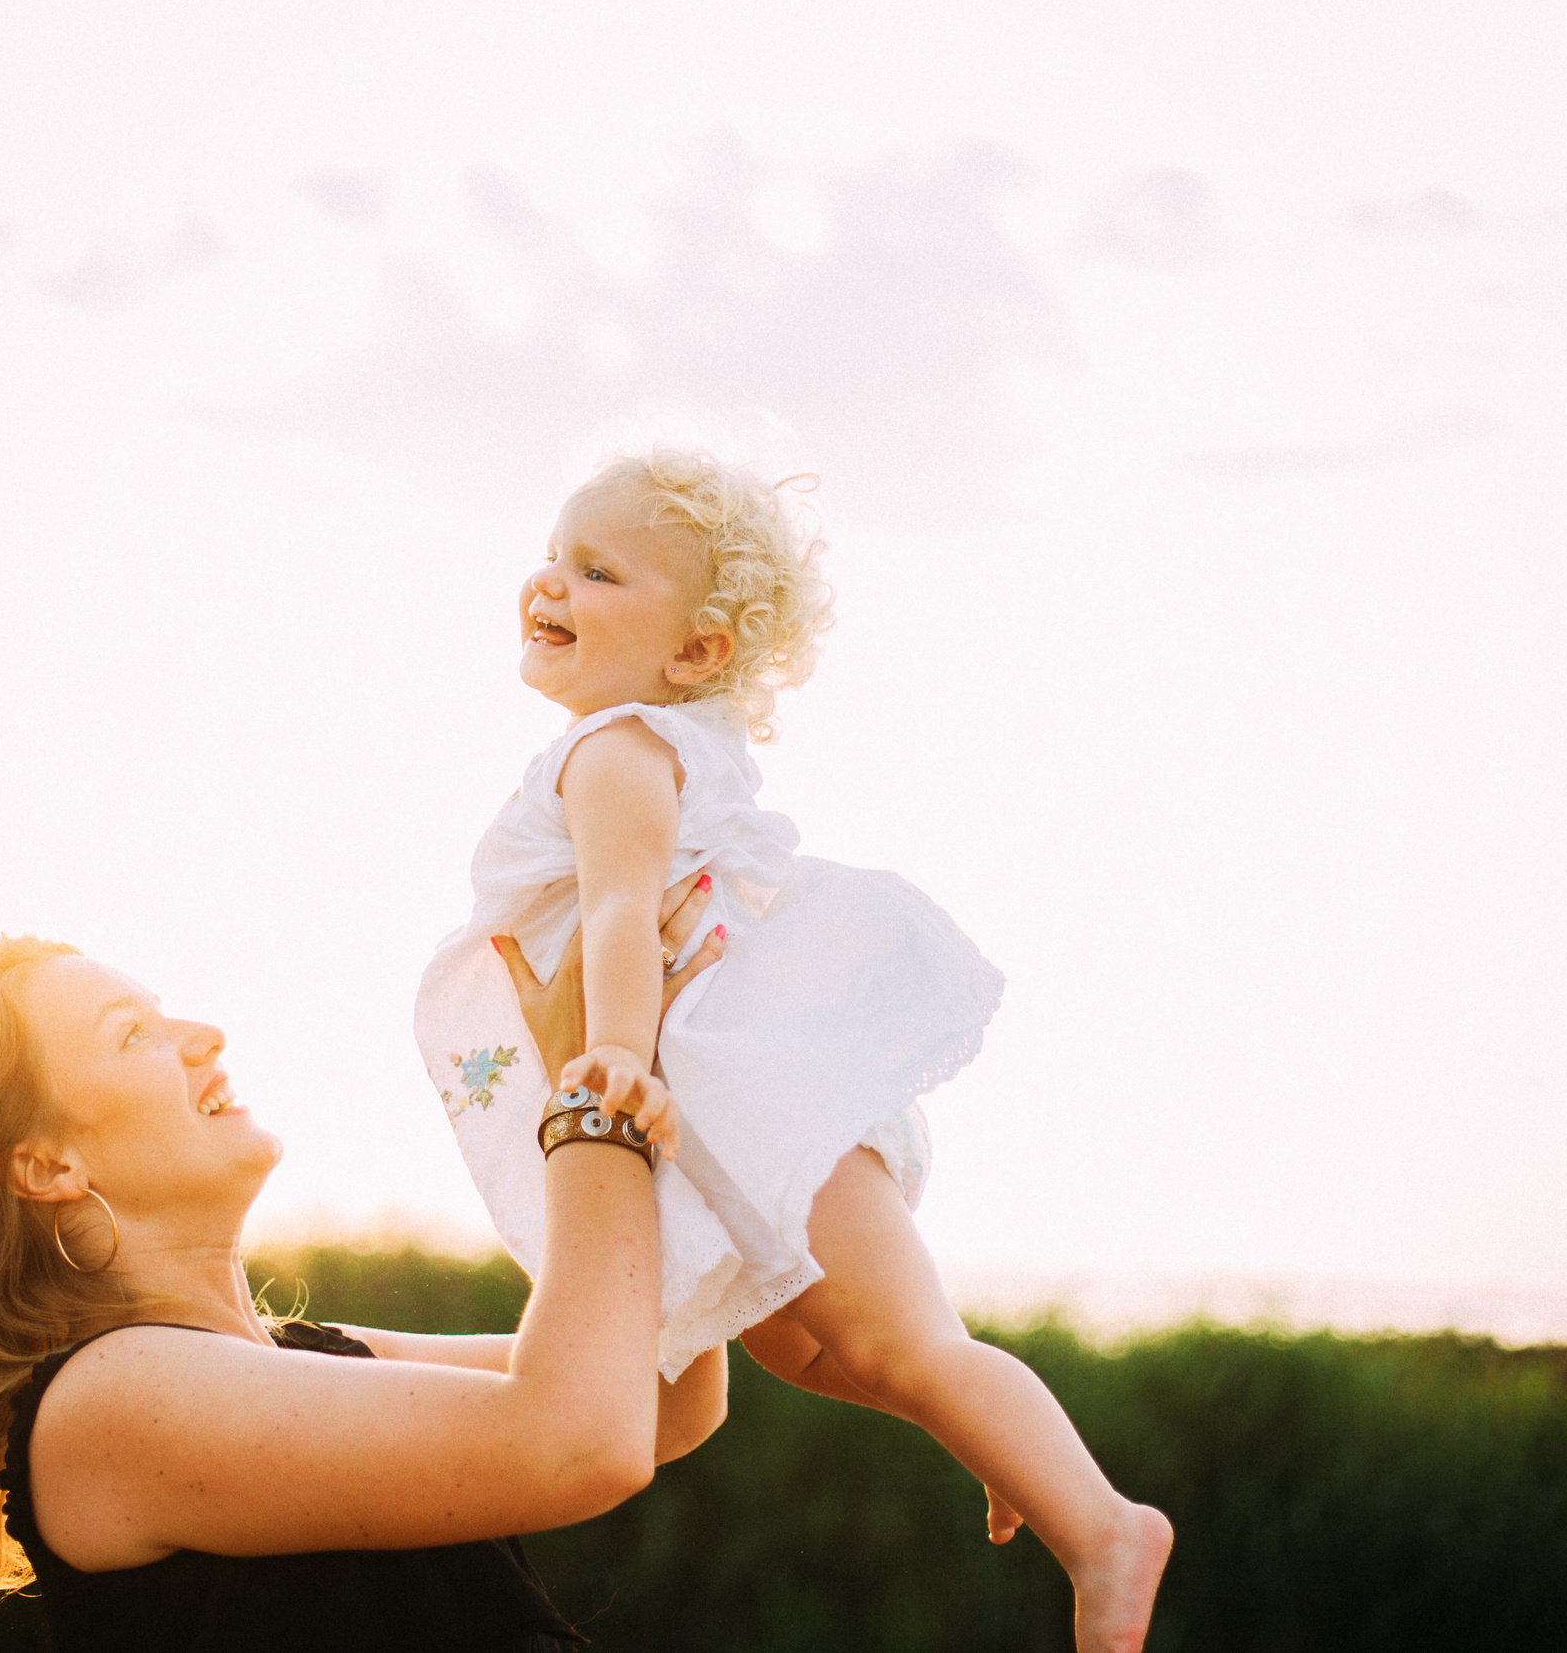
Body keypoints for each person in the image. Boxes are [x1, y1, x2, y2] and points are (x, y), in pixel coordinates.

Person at [415, 442, 1175, 1651]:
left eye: (598, 571)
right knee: (815, 1352)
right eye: (552, 556)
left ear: (696, 652)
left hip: (749, 1085)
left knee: (907, 1344)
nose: (549, 584)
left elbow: (620, 910)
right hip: (727, 1099)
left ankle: (1103, 1530)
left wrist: (609, 1050)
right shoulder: (651, 744)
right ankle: (1006, 1439)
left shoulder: (614, 749)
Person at [0, 882, 730, 1653]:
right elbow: (577, 1443)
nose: (201, 1037)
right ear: (47, 1165)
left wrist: (650, 1057)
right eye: (134, 1035)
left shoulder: (301, 1360)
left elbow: (662, 1394)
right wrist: (589, 1099)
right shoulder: (109, 1401)